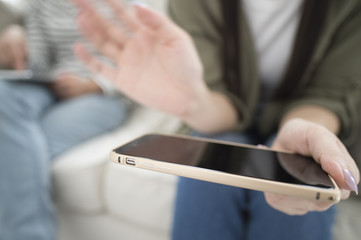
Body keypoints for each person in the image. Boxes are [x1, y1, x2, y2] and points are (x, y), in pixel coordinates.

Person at [72, 0, 361, 239]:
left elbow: (329, 94)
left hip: (305, 118)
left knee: (296, 180)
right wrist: (194, 102)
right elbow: (222, 105)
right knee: (209, 169)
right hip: (224, 119)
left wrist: (308, 130)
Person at [0, 0, 131, 239]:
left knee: (18, 154)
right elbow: (38, 64)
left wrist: (95, 84)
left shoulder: (126, 5)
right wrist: (21, 51)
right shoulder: (41, 4)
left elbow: (138, 67)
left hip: (101, 93)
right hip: (52, 86)